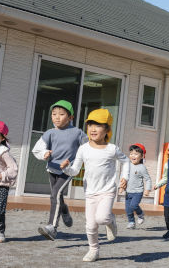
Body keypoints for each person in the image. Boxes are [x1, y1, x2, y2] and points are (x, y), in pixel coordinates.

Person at [60, 109, 129, 262]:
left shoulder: (112, 149)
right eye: (90, 124)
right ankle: (94, 250)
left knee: (102, 217)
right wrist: (66, 168)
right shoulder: (83, 149)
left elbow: (126, 161)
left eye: (98, 125)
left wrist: (125, 177)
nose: (92, 128)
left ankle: (110, 221)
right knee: (90, 225)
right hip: (90, 192)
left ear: (107, 130)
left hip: (107, 191)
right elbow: (75, 170)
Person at [32, 100, 88, 241]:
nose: (57, 117)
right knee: (56, 196)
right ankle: (64, 209)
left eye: (61, 114)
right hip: (52, 168)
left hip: (67, 170)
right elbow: (38, 148)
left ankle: (52, 227)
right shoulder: (49, 133)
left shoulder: (77, 133)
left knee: (55, 194)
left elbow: (88, 147)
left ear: (70, 118)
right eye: (54, 114)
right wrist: (44, 153)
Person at [122, 143, 152, 229]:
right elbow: (124, 176)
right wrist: (121, 186)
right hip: (128, 191)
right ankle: (131, 222)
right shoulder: (128, 165)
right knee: (128, 209)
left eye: (136, 154)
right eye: (131, 154)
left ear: (142, 156)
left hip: (137, 192)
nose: (133, 156)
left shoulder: (142, 167)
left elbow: (148, 179)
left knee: (133, 206)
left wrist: (147, 189)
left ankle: (140, 214)